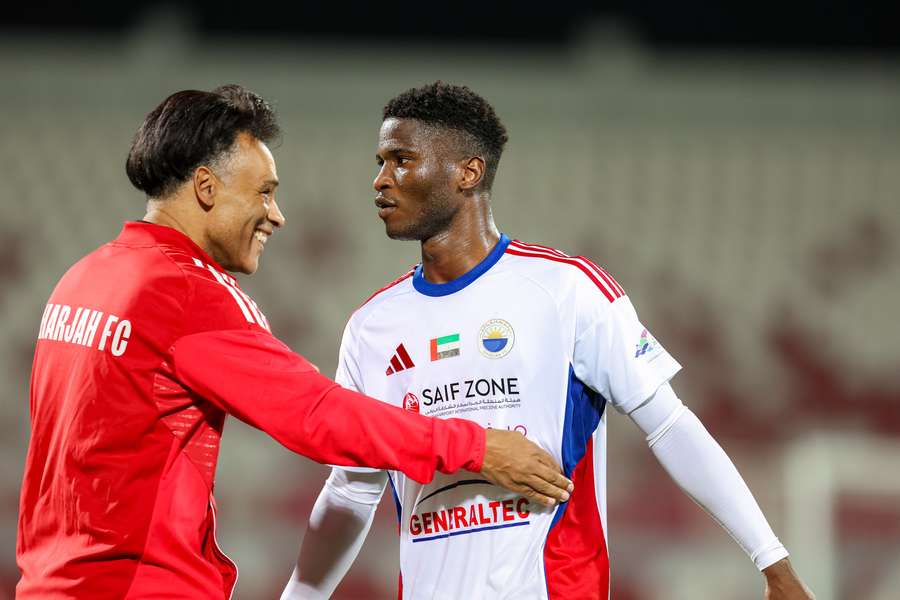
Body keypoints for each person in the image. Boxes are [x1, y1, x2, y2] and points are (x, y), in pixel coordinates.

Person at [15, 84, 574, 600]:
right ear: (206, 189)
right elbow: (317, 416)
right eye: (263, 192)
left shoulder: (83, 280)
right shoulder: (187, 290)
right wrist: (476, 446)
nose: (275, 216)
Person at [282, 82, 815, 599]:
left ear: (469, 172)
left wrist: (771, 562)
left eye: (401, 159)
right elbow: (353, 487)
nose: (381, 179)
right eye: (380, 162)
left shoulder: (567, 290)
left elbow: (670, 425)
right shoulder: (371, 327)